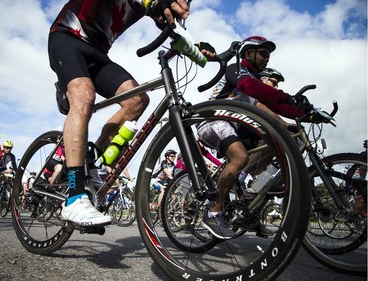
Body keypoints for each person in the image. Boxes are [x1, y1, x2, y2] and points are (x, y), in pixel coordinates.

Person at [48, 0, 216, 227]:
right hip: (67, 37)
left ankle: (92, 157)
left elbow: (168, 22)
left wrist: (196, 46)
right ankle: (75, 196)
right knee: (84, 95)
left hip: (97, 52)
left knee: (137, 100)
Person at [198, 36, 310, 239]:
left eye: (269, 55)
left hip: (235, 125)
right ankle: (212, 212)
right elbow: (249, 88)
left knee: (274, 140)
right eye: (264, 54)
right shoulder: (236, 69)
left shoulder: (255, 80)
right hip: (213, 121)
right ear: (248, 53)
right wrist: (287, 98)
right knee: (240, 157)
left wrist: (300, 114)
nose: (267, 58)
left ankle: (249, 191)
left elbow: (265, 105)